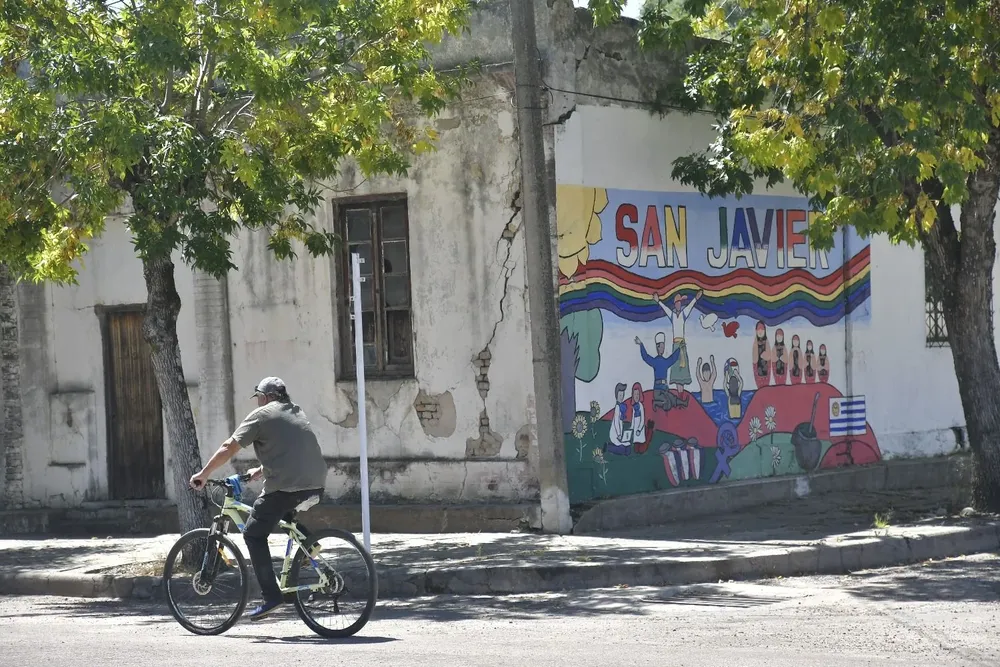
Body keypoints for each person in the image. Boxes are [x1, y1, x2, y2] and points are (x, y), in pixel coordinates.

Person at [189, 377, 328, 621]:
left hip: (286, 486)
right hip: (316, 482)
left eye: (258, 398)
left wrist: (204, 474)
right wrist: (261, 470)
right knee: (283, 513)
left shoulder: (261, 415)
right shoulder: (295, 410)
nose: (258, 403)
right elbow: (290, 451)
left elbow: (228, 447)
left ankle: (271, 597)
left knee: (253, 533)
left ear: (265, 397)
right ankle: (309, 546)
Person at [654, 289, 703, 393]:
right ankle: (679, 393)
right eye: (677, 303)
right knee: (676, 371)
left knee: (682, 371)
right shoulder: (672, 315)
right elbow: (665, 309)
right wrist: (658, 301)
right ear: (675, 304)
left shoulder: (683, 314)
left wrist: (696, 298)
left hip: (682, 345)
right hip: (675, 345)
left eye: (680, 303)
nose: (679, 305)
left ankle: (681, 393)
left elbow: (690, 306)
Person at [635, 333, 688, 412]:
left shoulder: (665, 362)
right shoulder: (655, 361)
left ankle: (683, 403)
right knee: (667, 403)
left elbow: (673, 358)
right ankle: (655, 403)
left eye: (664, 347)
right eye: (661, 347)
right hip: (657, 390)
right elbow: (645, 357)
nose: (663, 349)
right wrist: (641, 345)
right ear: (658, 347)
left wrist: (679, 348)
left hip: (665, 389)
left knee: (671, 397)